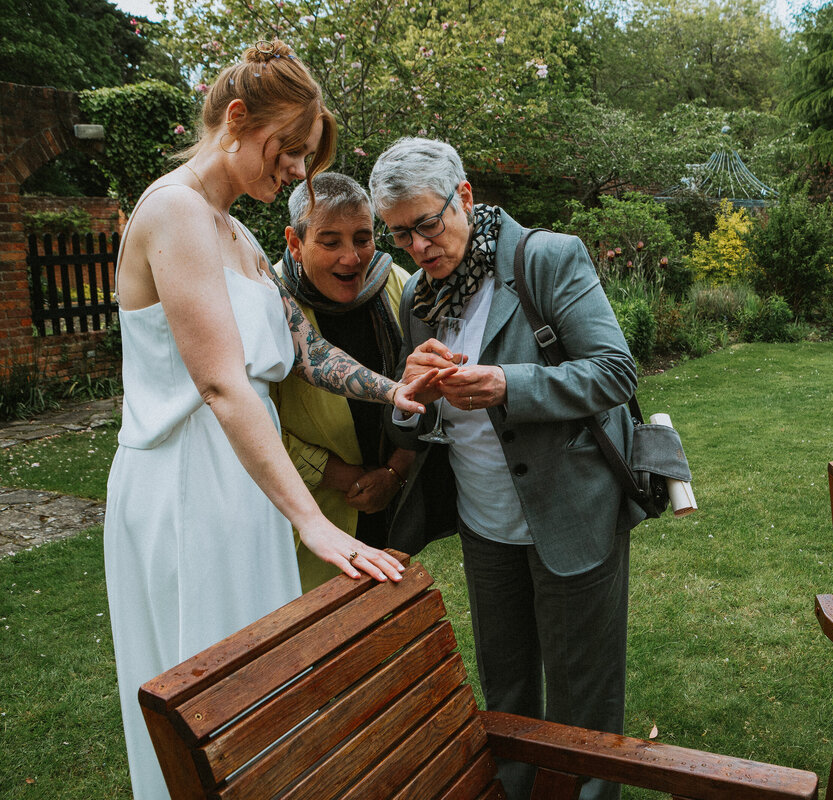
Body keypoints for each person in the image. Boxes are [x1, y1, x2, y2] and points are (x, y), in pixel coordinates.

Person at [103, 42, 447, 799]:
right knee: (210, 702)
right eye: (288, 149)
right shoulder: (174, 212)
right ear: (235, 119)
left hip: (247, 487)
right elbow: (223, 385)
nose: (297, 170)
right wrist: (313, 523)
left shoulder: (240, 236)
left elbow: (304, 352)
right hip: (190, 488)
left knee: (265, 699)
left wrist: (396, 392)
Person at [370, 137, 645, 800]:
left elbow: (614, 371)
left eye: (427, 225)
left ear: (463, 196)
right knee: (508, 681)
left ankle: (589, 794)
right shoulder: (419, 300)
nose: (417, 247)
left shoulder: (545, 259)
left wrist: (508, 384)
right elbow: (411, 418)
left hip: (570, 509)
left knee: (583, 688)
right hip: (484, 521)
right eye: (400, 234)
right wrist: (409, 398)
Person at [272, 172, 415, 590]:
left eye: (363, 238)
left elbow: (426, 393)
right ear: (295, 243)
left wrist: (395, 473)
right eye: (330, 242)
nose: (352, 257)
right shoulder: (270, 301)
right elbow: (254, 421)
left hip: (391, 502)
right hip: (313, 511)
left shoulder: (396, 284)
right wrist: (341, 477)